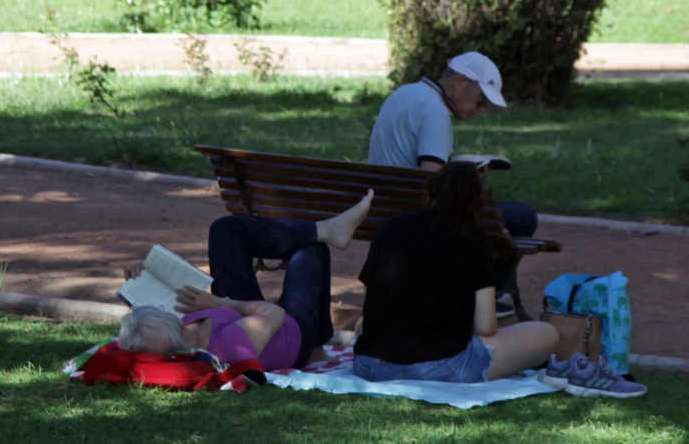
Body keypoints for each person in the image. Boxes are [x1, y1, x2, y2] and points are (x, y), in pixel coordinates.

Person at [119, 190, 374, 371]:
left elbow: (148, 329)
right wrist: (218, 302)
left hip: (234, 311)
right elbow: (273, 312)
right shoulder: (226, 348)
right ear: (177, 347)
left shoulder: (174, 334)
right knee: (312, 250)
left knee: (224, 229)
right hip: (291, 327)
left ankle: (327, 229)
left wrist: (142, 281)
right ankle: (315, 347)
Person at [352, 162, 559, 383]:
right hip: (442, 365)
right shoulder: (473, 239)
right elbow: (486, 326)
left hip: (370, 364)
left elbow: (371, 305)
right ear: (477, 202)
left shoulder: (389, 229)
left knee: (361, 326)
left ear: (431, 192)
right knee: (546, 333)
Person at [367, 51, 538, 314]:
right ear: (460, 81)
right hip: (416, 216)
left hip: (384, 208)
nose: (481, 110)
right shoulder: (435, 111)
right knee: (523, 217)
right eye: (481, 100)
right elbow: (434, 182)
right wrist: (471, 183)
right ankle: (487, 294)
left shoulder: (404, 93)